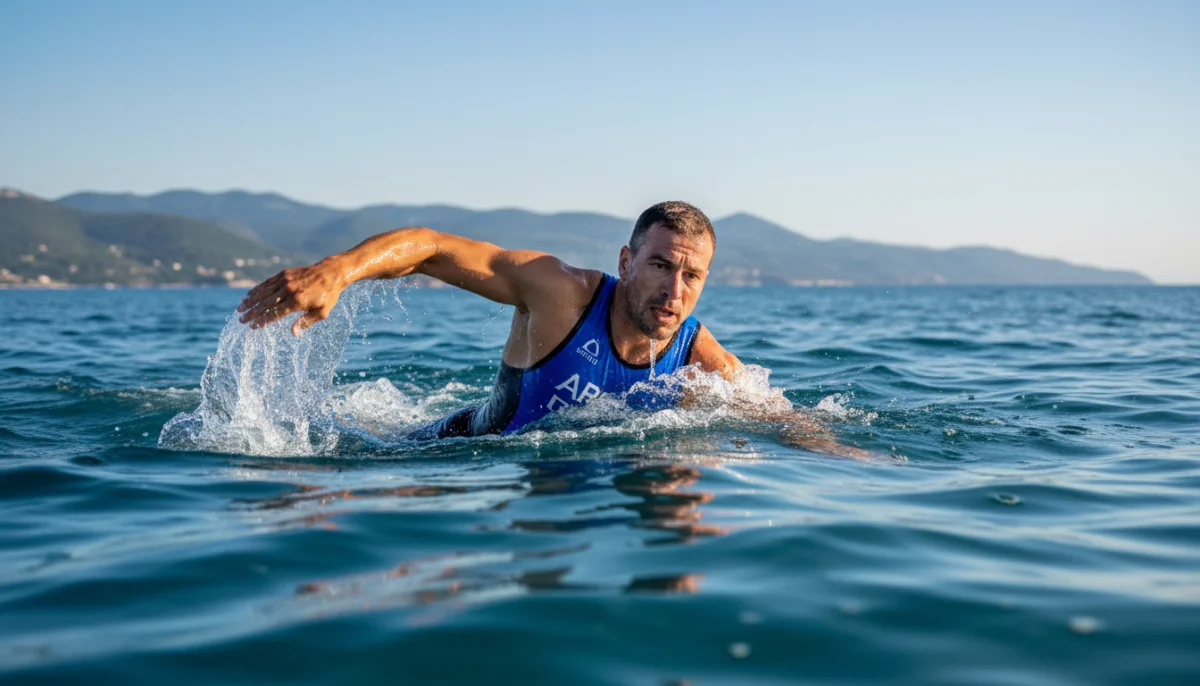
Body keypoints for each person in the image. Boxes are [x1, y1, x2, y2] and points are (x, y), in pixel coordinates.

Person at [237, 201, 866, 456]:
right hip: (453, 450)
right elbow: (430, 246)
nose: (675, 291)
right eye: (660, 266)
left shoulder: (694, 349)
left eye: (692, 276)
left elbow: (780, 415)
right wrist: (338, 270)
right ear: (626, 261)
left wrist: (849, 459)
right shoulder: (559, 291)